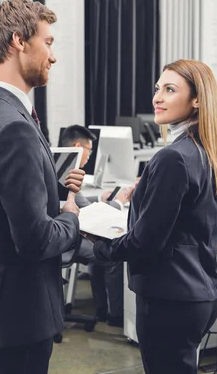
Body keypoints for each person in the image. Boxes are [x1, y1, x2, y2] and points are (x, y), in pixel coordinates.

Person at [0, 0, 83, 374]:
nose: (53, 56)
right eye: (48, 43)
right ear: (19, 41)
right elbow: (34, 241)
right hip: (22, 309)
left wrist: (52, 186)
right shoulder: (15, 125)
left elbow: (1, 201)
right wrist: (71, 217)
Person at [92, 59, 217, 373]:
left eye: (169, 90)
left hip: (169, 298)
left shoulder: (173, 157)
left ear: (197, 100)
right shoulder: (203, 151)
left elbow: (145, 242)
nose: (157, 97)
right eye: (157, 89)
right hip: (196, 294)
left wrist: (98, 247)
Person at [60, 125, 133, 326]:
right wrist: (119, 201)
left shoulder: (60, 165)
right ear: (78, 146)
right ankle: (115, 315)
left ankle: (102, 309)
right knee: (110, 255)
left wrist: (99, 197)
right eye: (90, 150)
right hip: (66, 238)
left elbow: (77, 200)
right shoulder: (69, 173)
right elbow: (84, 213)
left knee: (98, 249)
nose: (90, 155)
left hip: (60, 232)